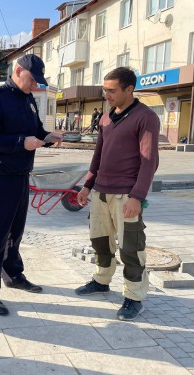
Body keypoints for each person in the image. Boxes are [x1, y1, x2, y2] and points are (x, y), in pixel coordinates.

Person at [0, 54, 62, 316]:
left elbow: (34, 130)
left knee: (15, 230)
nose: (34, 85)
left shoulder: (28, 100)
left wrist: (47, 137)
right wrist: (19, 143)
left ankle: (13, 275)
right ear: (18, 71)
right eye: (32, 79)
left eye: (37, 82)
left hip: (21, 174)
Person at [75, 67, 160, 321]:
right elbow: (98, 156)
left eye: (112, 90)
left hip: (126, 196)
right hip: (100, 192)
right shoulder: (106, 118)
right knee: (100, 241)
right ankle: (101, 281)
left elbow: (149, 161)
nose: (106, 94)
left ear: (129, 89)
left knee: (131, 248)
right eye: (105, 89)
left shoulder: (146, 118)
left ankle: (134, 298)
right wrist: (87, 185)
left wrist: (137, 196)